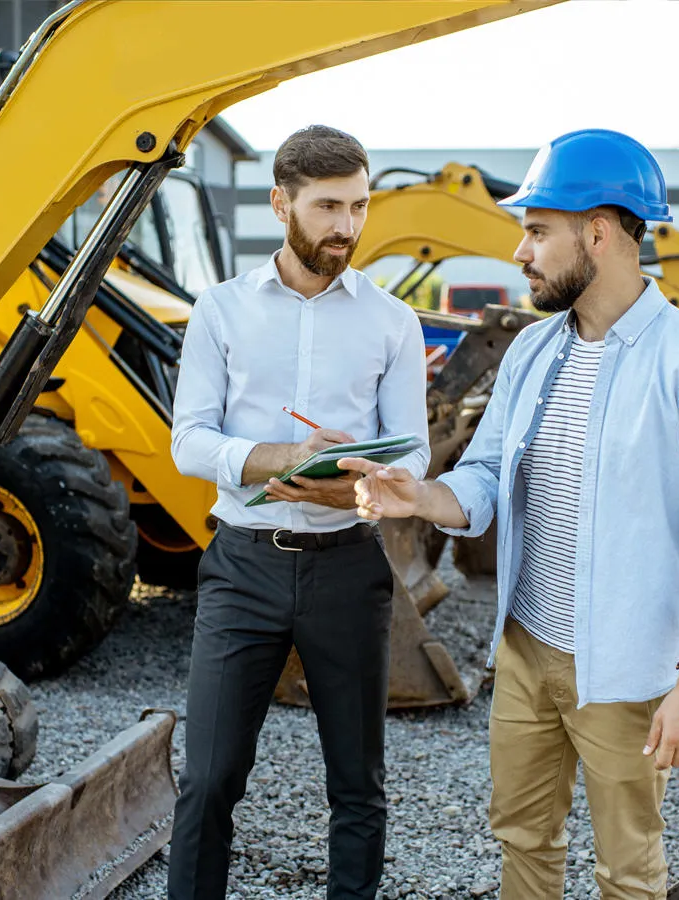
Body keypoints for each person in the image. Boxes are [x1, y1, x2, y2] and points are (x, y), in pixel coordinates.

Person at [339, 128, 679, 899]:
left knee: (627, 870)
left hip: (626, 671)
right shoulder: (535, 351)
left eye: (537, 231)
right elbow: (482, 479)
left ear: (598, 232)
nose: (520, 251)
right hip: (525, 648)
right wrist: (421, 497)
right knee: (523, 839)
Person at [166, 124, 430, 899]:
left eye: (358, 205)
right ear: (281, 202)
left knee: (357, 784)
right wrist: (273, 457)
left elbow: (412, 456)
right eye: (327, 207)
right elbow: (188, 441)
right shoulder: (219, 311)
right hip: (242, 566)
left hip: (348, 565)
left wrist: (364, 476)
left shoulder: (393, 322)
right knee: (209, 777)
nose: (346, 226)